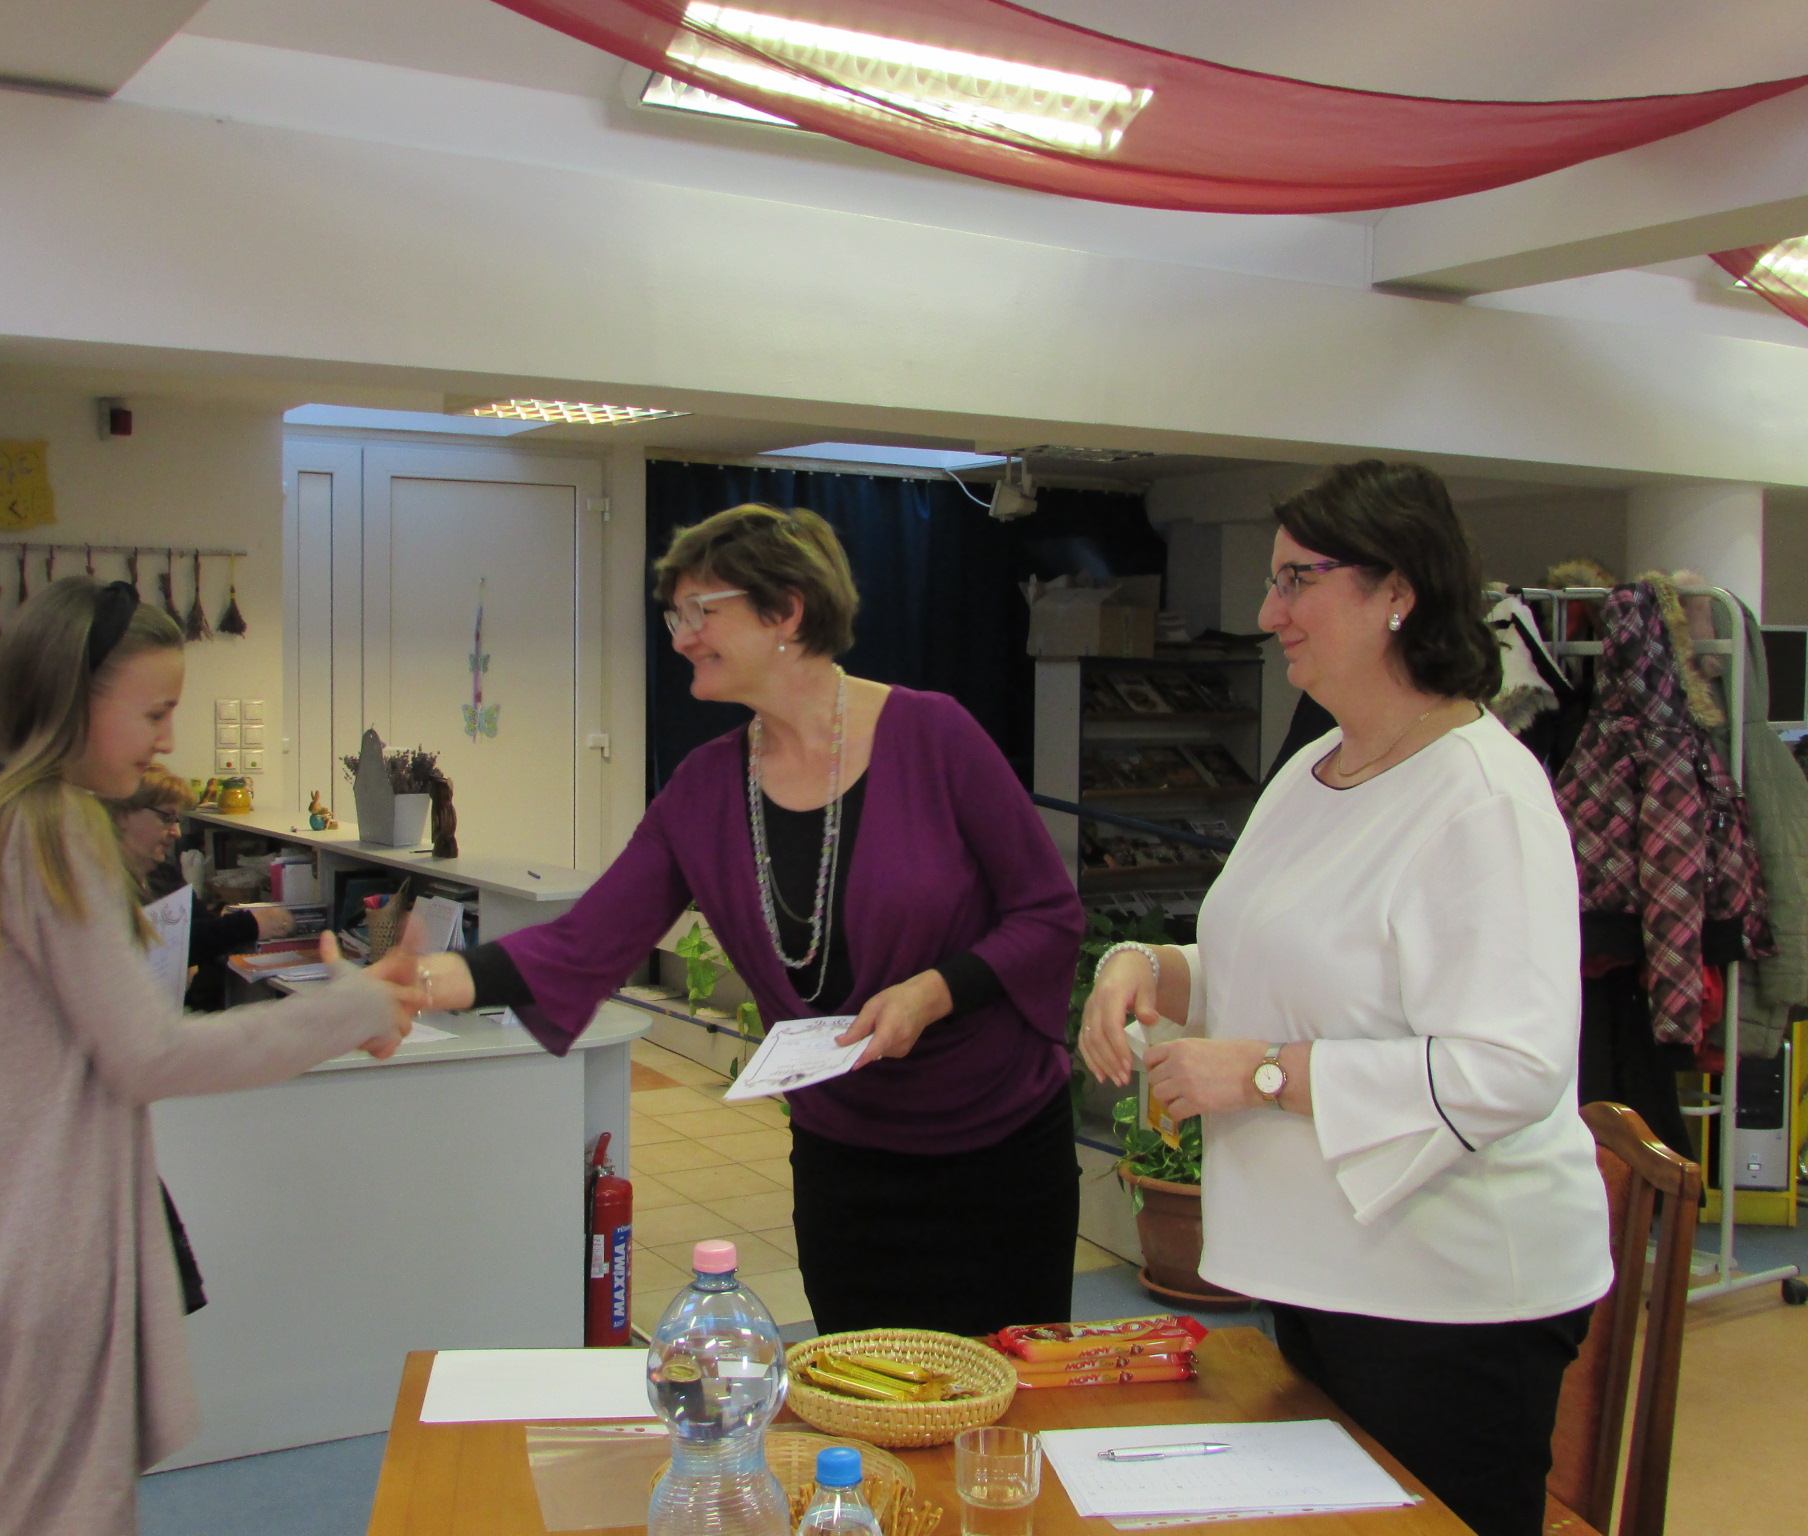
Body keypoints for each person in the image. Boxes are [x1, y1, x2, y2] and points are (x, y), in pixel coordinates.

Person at [1079, 461, 1611, 1536]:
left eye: (1296, 580)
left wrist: (1262, 1074)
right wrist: (1146, 966)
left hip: (1449, 1292)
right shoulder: (1318, 764)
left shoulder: (1482, 797)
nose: (1267, 612)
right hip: (1323, 1265)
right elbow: (1277, 964)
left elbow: (1510, 1068)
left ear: (1396, 591)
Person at [0, 577, 424, 1536]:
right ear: (72, 701)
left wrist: (6, 1072)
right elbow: (146, 1055)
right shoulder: (55, 832)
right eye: (154, 713)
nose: (165, 740)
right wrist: (349, 1007)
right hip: (44, 1265)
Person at [420, 504, 1084, 1335]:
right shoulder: (704, 790)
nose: (681, 638)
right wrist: (427, 982)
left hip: (997, 1150)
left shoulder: (935, 736)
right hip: (846, 1163)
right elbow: (585, 943)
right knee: (859, 1392)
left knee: (1011, 1395)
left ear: (787, 612)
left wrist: (934, 992)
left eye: (702, 611)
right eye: (676, 617)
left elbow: (1047, 914)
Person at [106, 765, 296, 1010]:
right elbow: (160, 943)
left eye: (176, 820)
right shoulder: (101, 883)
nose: (176, 832)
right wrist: (252, 924)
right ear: (123, 815)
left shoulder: (163, 872)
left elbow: (195, 932)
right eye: (166, 818)